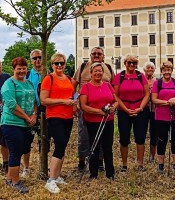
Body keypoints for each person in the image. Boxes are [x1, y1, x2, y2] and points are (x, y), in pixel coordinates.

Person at [40, 52, 78, 194]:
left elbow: (71, 95)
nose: (60, 66)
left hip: (68, 116)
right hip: (55, 116)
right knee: (60, 144)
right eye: (57, 63)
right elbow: (44, 100)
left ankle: (57, 176)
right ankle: (50, 180)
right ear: (52, 65)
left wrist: (74, 106)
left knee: (63, 146)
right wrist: (63, 101)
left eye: (62, 63)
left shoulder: (68, 78)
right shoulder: (48, 79)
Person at [73, 47, 114, 172]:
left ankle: (100, 162)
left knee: (103, 138)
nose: (96, 55)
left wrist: (113, 106)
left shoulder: (108, 68)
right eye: (94, 54)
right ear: (90, 55)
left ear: (103, 56)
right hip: (86, 110)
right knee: (84, 137)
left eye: (99, 54)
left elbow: (113, 88)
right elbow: (73, 86)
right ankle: (81, 161)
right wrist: (74, 103)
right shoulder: (83, 67)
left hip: (105, 112)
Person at [0, 57, 37, 193]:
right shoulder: (9, 83)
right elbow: (11, 105)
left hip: (26, 123)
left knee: (22, 149)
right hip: (11, 122)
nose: (21, 71)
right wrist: (27, 117)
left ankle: (10, 177)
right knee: (15, 151)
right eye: (19, 68)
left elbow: (34, 101)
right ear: (13, 69)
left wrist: (33, 114)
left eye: (23, 68)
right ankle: (16, 182)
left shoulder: (29, 84)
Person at [79, 62, 117, 179]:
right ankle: (93, 173)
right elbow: (83, 106)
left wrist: (113, 107)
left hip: (108, 120)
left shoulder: (108, 85)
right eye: (95, 71)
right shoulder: (85, 87)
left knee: (107, 147)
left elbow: (116, 101)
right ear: (91, 73)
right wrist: (99, 112)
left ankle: (110, 173)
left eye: (100, 71)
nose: (98, 73)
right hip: (92, 121)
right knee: (94, 146)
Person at [113, 54, 150, 172]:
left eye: (134, 63)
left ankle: (140, 164)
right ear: (125, 63)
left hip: (140, 111)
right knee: (124, 139)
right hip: (124, 111)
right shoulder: (119, 77)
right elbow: (115, 95)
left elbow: (147, 94)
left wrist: (140, 108)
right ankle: (124, 165)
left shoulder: (141, 76)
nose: (132, 65)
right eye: (129, 63)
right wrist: (125, 108)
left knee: (140, 138)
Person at [151, 61, 175, 172]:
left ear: (172, 70)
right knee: (162, 139)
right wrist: (168, 102)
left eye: (169, 70)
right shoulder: (157, 83)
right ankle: (161, 164)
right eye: (164, 70)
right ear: (161, 71)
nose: (167, 72)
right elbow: (154, 99)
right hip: (161, 115)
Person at [21, 49, 43, 177]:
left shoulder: (48, 73)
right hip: (30, 110)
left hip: (45, 110)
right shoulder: (27, 75)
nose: (37, 60)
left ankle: (43, 165)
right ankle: (26, 167)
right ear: (31, 61)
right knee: (27, 139)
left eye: (40, 57)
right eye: (35, 58)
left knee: (43, 139)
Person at [143, 61, 157, 163]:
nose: (150, 70)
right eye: (148, 68)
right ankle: (141, 156)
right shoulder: (141, 80)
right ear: (144, 69)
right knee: (141, 132)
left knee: (154, 133)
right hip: (143, 108)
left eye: (152, 68)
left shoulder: (157, 81)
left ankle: (152, 156)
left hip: (154, 109)